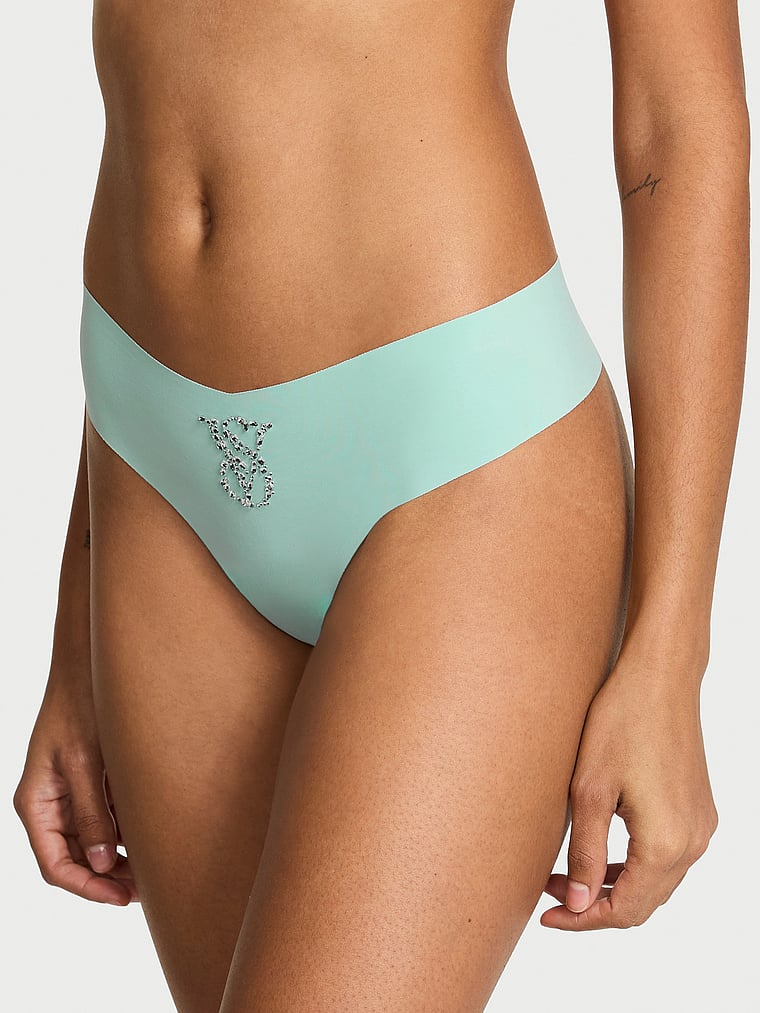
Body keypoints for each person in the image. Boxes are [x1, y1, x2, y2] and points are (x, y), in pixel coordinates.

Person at [13, 2, 750, 1011]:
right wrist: (77, 623)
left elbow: (677, 125)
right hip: (152, 461)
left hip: (454, 449)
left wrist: (671, 655)